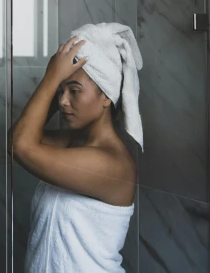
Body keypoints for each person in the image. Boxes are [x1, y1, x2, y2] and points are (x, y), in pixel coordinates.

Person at [9, 23, 144, 273]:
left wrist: (52, 78)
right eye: (61, 90)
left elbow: (21, 147)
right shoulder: (71, 143)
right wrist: (56, 80)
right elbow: (16, 140)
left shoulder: (113, 164)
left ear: (106, 96)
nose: (62, 101)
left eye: (74, 91)